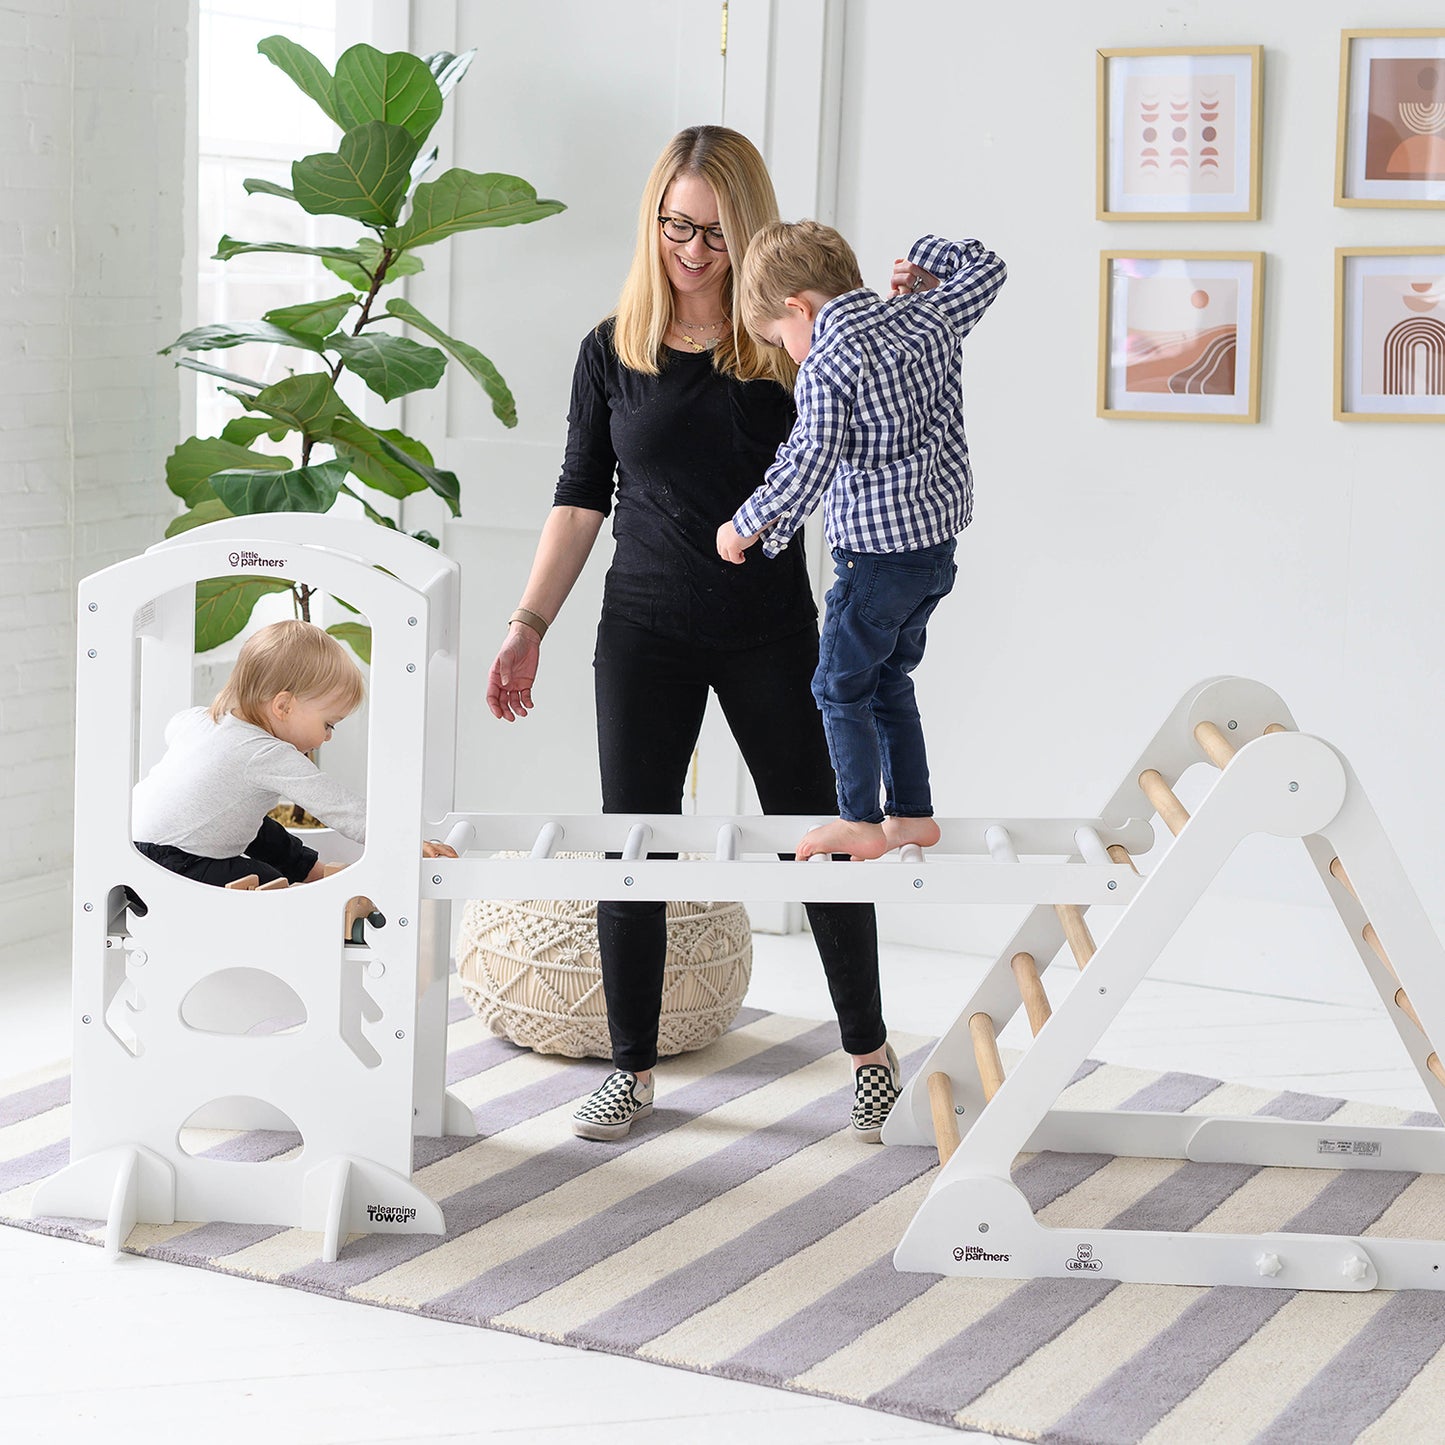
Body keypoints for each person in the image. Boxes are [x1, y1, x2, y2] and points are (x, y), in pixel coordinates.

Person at [486, 125, 899, 1145]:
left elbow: (866, 456)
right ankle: (630, 1068)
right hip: (643, 630)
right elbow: (580, 499)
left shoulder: (790, 350)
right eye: (677, 226)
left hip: (771, 633)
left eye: (716, 233)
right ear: (653, 221)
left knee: (822, 842)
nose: (693, 250)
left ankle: (870, 1055)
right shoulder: (610, 348)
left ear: (748, 230)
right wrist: (527, 623)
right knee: (634, 845)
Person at [717, 219, 1007, 862]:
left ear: (799, 308)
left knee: (836, 687)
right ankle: (912, 814)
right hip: (933, 554)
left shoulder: (829, 361)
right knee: (889, 681)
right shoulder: (927, 316)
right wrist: (928, 262)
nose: (789, 352)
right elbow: (987, 268)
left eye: (780, 337)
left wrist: (749, 524)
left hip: (875, 564)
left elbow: (809, 457)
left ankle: (860, 820)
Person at [133, 619, 455, 887]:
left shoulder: (199, 720)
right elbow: (339, 807)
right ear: (284, 706)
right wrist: (403, 840)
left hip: (132, 845)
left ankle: (311, 872)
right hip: (175, 864)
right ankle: (314, 891)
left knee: (261, 829)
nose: (327, 737)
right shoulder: (265, 753)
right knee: (269, 883)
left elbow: (173, 727)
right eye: (329, 724)